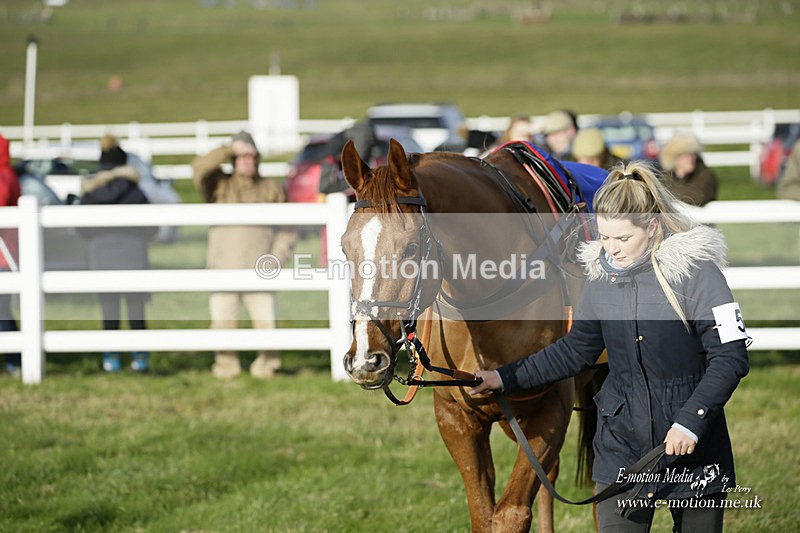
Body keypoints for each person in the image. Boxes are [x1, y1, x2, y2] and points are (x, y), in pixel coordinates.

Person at [470, 162, 749, 532]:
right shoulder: (600, 278)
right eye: (604, 237)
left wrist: (691, 422)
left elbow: (730, 357)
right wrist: (503, 378)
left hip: (694, 448)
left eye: (622, 239)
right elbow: (576, 350)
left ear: (652, 228)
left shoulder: (699, 274)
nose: (611, 250)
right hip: (621, 448)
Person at [192, 130, 296, 379]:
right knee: (223, 322)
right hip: (223, 268)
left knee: (266, 324)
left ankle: (267, 366)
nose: (246, 161)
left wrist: (276, 258)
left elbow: (288, 229)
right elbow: (198, 168)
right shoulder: (219, 185)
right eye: (241, 157)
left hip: (261, 270)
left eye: (251, 156)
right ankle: (226, 366)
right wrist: (229, 148)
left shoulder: (271, 188)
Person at [78, 135, 157, 373]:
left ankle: (110, 357)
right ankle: (139, 357)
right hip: (134, 254)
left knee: (109, 309)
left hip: (102, 255)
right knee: (136, 309)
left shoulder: (91, 194)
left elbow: (81, 227)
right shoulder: (135, 192)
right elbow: (151, 226)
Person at [0, 133, 21, 377]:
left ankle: (14, 360)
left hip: (3, 255)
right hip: (8, 253)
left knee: (2, 310)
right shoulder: (8, 173)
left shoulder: (3, 175)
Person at [658, 134, 718, 206]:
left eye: (693, 154)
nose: (690, 158)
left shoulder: (706, 175)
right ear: (674, 157)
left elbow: (699, 198)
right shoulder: (664, 176)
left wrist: (669, 198)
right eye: (685, 154)